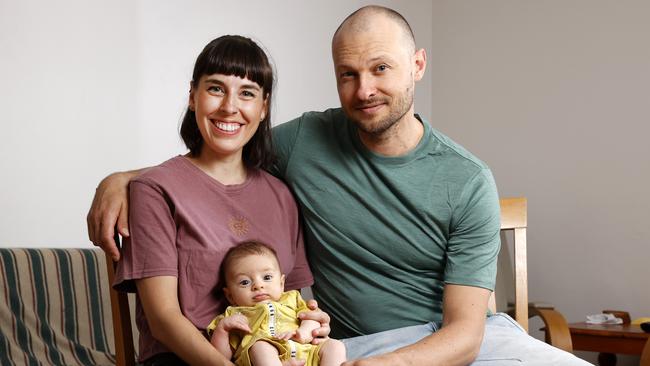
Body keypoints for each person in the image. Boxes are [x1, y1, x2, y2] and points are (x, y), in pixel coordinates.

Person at [89, 6, 592, 366]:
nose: (364, 89)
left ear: (417, 64)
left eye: (380, 69)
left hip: (451, 344)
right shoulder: (305, 142)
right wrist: (125, 180)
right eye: (348, 74)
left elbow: (465, 334)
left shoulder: (467, 179)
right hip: (352, 344)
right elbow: (220, 155)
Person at [110, 35, 328, 366]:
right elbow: (163, 321)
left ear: (263, 106)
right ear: (193, 97)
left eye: (247, 93)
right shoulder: (154, 189)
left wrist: (310, 323)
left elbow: (294, 298)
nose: (230, 106)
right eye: (215, 89)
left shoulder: (282, 196)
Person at [207, 241, 346, 366]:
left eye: (266, 277)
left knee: (335, 345)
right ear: (230, 295)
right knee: (260, 346)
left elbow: (312, 318)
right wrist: (222, 330)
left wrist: (303, 332)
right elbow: (221, 357)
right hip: (266, 359)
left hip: (308, 353)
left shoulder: (293, 298)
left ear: (281, 283)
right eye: (245, 282)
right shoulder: (232, 315)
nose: (258, 285)